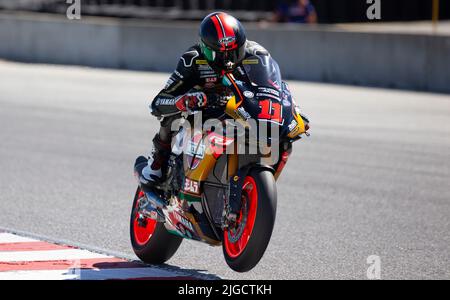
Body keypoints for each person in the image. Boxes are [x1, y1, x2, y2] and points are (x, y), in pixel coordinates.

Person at [135, 12, 308, 202]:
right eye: (222, 54)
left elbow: (272, 88)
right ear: (206, 48)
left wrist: (290, 109)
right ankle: (157, 163)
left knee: (283, 138)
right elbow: (158, 102)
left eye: (234, 52)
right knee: (172, 118)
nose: (229, 60)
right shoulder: (192, 60)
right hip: (201, 113)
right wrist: (184, 101)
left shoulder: (257, 54)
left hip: (238, 111)